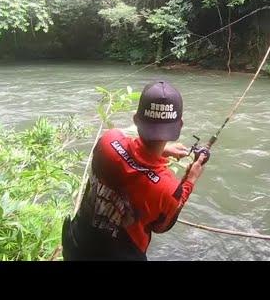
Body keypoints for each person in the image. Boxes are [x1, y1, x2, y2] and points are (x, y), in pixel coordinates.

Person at [62, 80, 209, 260]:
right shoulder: (167, 188)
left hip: (77, 245)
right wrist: (191, 178)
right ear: (179, 126)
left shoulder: (108, 140)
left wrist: (162, 151)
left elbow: (125, 153)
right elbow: (161, 226)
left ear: (135, 119)